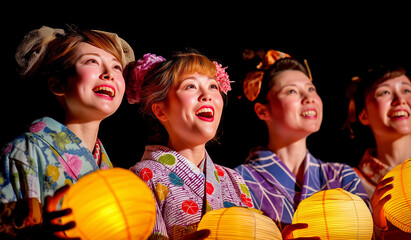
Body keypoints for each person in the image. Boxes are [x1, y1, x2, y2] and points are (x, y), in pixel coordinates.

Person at [0, 26, 134, 239]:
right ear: (57, 83)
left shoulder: (112, 171)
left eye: (117, 67)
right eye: (92, 61)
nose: (109, 73)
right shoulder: (25, 152)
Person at [234, 50, 369, 238]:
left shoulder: (342, 177)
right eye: (291, 91)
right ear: (262, 111)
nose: (309, 98)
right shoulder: (238, 181)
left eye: (311, 89)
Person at [126, 50, 253, 240]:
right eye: (191, 86)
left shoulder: (235, 180)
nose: (207, 95)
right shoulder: (142, 177)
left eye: (213, 86)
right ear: (160, 110)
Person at [345, 64, 411, 240]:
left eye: (406, 90)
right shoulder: (348, 185)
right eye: (384, 92)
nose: (400, 100)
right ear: (363, 115)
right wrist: (376, 225)